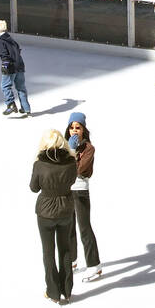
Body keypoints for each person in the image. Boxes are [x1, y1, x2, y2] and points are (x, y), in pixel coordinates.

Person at [31, 130, 78, 304]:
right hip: (66, 208)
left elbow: (34, 187)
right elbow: (73, 181)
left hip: (45, 212)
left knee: (48, 252)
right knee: (65, 249)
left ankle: (52, 291)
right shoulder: (71, 162)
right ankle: (67, 290)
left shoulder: (39, 164)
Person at [64, 111, 102, 282]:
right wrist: (69, 149)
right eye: (71, 128)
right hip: (66, 189)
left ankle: (94, 265)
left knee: (84, 228)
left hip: (80, 191)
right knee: (69, 226)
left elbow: (78, 170)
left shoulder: (89, 148)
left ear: (83, 129)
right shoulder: (65, 146)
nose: (74, 131)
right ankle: (72, 260)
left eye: (77, 128)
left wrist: (71, 151)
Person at [0, 19, 30, 116]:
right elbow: (17, 48)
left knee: (5, 86)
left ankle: (10, 104)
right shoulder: (8, 37)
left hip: (10, 66)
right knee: (21, 87)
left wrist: (5, 65)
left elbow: (4, 55)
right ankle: (26, 108)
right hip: (20, 64)